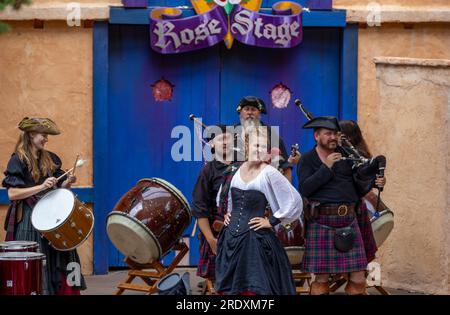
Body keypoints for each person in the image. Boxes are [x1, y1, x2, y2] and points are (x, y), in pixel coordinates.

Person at [2, 117, 86, 295]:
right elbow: (12, 194)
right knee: (38, 262)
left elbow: (57, 187)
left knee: (64, 254)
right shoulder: (17, 160)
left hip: (53, 216)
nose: (46, 139)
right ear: (31, 134)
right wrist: (41, 186)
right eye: (43, 135)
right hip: (28, 217)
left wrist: (67, 182)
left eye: (47, 135)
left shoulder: (51, 158)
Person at [215, 127, 302, 295]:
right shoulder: (235, 170)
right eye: (256, 145)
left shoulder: (269, 173)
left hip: (255, 239)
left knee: (255, 287)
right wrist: (227, 213)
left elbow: (293, 200)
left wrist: (272, 221)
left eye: (263, 147)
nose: (259, 150)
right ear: (246, 146)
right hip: (231, 238)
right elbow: (224, 196)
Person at [297, 116, 377, 295]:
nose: (333, 137)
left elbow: (359, 188)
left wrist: (373, 180)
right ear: (317, 136)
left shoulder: (347, 156)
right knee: (321, 280)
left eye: (335, 134)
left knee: (358, 279)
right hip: (321, 221)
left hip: (349, 220)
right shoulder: (307, 159)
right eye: (328, 134)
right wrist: (326, 167)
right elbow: (305, 189)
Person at [192, 124, 234, 286]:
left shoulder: (244, 167)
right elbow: (200, 209)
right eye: (220, 138)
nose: (224, 142)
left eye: (227, 137)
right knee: (220, 283)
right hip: (217, 233)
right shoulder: (207, 172)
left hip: (243, 230)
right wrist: (210, 240)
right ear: (211, 144)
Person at [339, 120, 386, 263]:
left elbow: (365, 179)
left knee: (358, 254)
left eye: (340, 134)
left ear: (349, 136)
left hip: (354, 207)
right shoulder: (338, 152)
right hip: (349, 206)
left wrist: (380, 181)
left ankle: (363, 277)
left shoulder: (359, 155)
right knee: (358, 254)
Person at [233, 96, 297, 182]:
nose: (249, 112)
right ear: (240, 112)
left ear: (259, 113)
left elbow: (285, 167)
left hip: (264, 184)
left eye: (253, 109)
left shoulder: (271, 134)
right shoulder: (231, 134)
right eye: (246, 109)